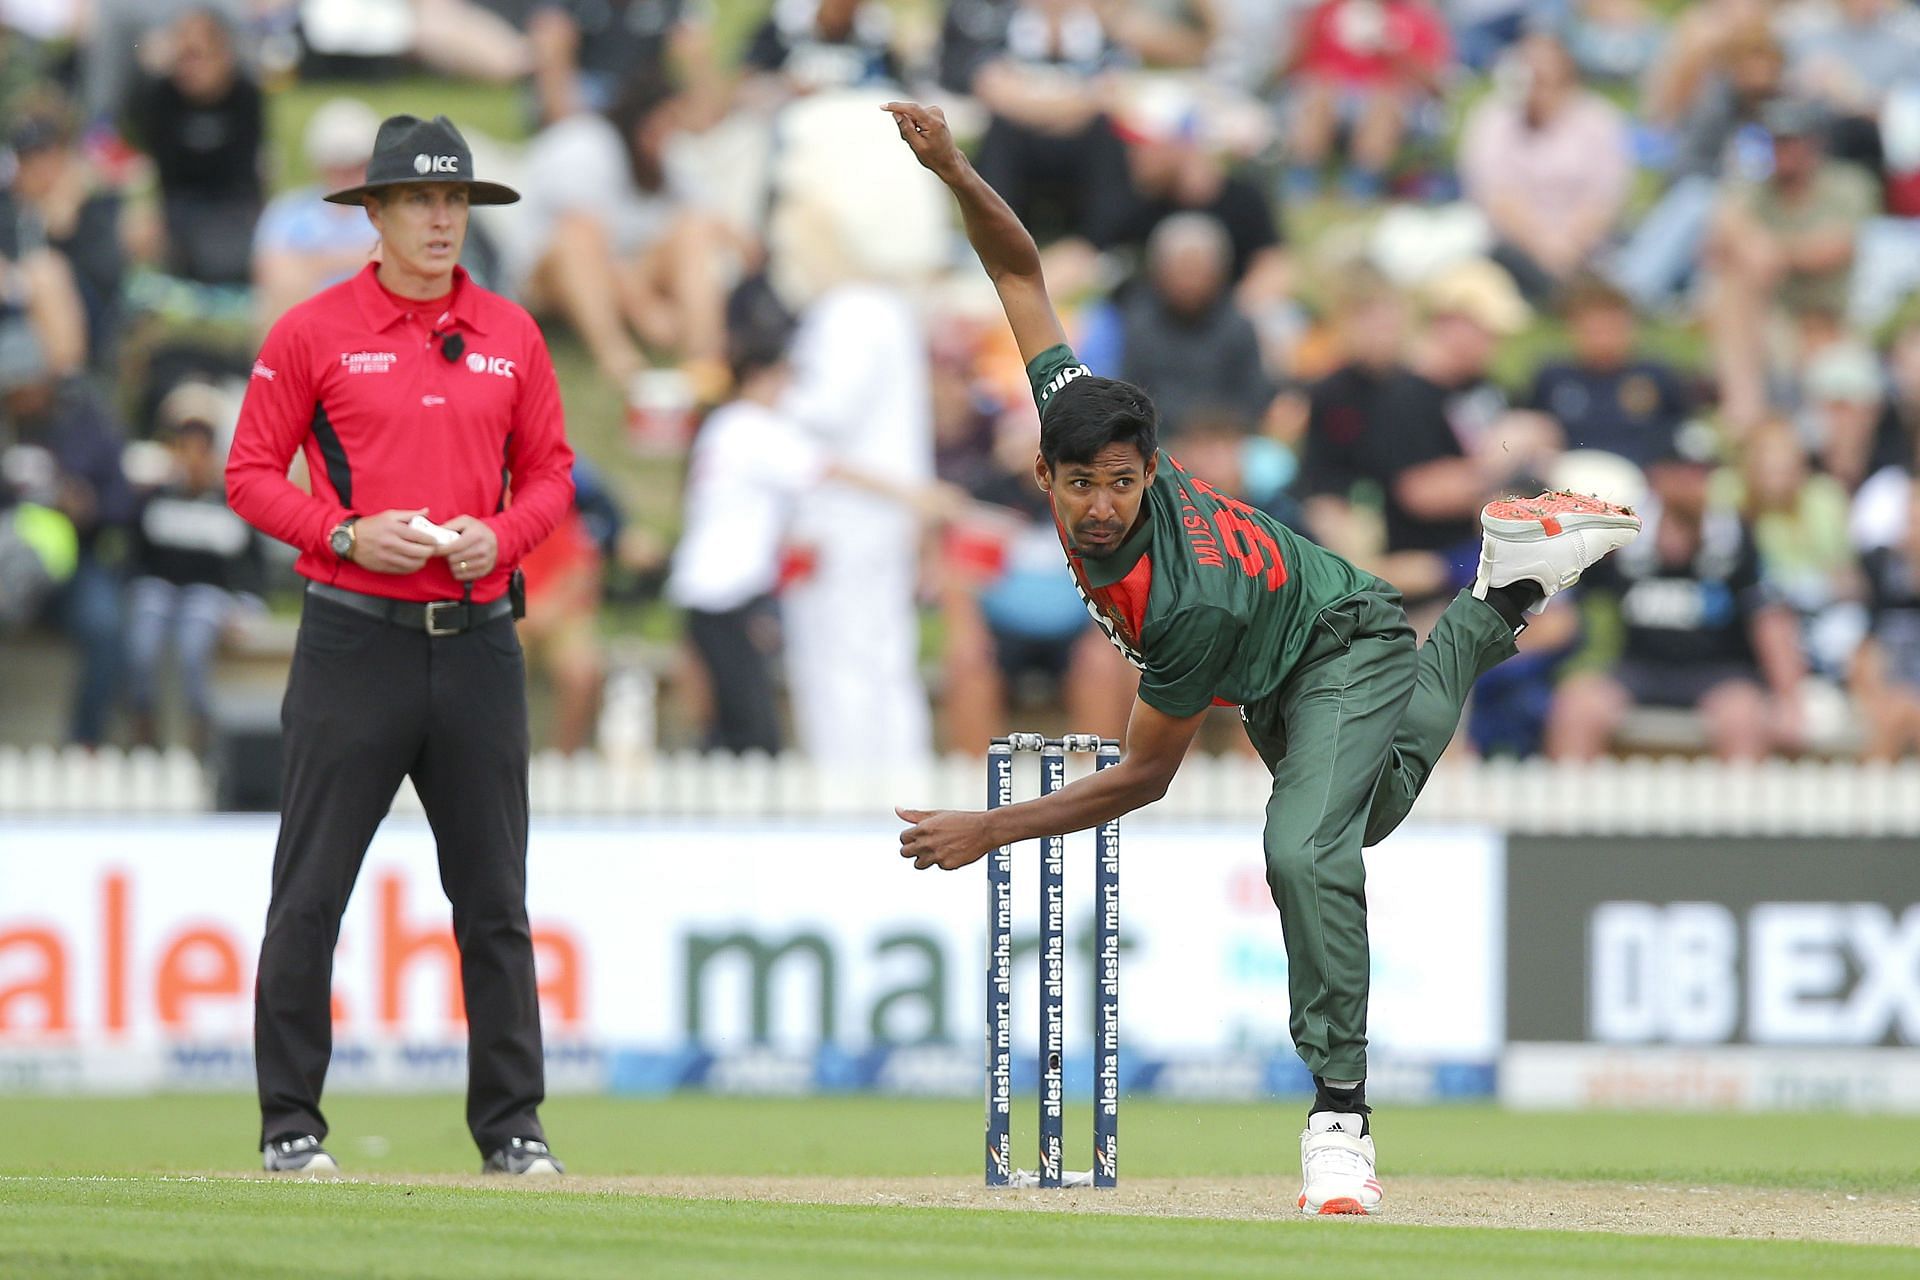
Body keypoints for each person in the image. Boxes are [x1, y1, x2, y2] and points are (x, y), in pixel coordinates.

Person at [881, 99, 1640, 1215]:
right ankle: (1500, 590)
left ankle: (1340, 1118)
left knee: (1301, 851)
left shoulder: (1178, 599)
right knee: (1358, 818)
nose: (1099, 506)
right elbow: (1020, 272)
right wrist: (954, 170)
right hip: (1288, 673)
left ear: (1150, 472)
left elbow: (1145, 776)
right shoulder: (1077, 411)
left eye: (1120, 484)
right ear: (1045, 471)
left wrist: (988, 828)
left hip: (1343, 641)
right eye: (1079, 483)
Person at [225, 114, 575, 1178]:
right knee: (312, 888)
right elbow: (248, 472)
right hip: (351, 639)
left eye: (455, 199)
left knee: (496, 900)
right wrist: (341, 530)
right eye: (419, 199)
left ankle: (513, 1128)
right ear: (371, 212)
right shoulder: (313, 330)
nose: (440, 219)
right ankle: (292, 1124)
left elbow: (554, 475)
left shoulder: (512, 332)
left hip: (477, 642)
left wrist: (499, 537)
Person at [124, 383, 265, 752]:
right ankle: (143, 724)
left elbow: (253, 568)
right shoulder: (153, 498)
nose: (192, 458)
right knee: (143, 639)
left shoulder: (231, 504)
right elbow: (134, 557)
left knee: (192, 645)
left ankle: (200, 733)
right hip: (159, 589)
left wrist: (247, 606)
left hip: (208, 595)